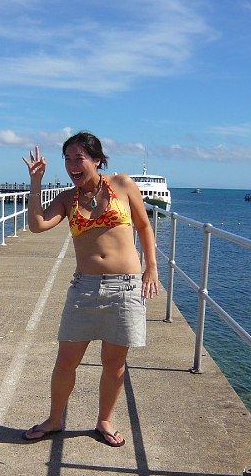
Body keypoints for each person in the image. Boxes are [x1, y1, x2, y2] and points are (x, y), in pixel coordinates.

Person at [21, 131, 158, 447]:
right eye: (67, 159)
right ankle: (55, 420)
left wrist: (151, 267)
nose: (72, 165)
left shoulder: (122, 184)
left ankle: (104, 421)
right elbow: (37, 225)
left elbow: (144, 226)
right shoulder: (68, 199)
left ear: (96, 159)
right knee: (66, 359)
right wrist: (36, 182)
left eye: (78, 158)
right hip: (84, 288)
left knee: (114, 363)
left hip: (125, 287)